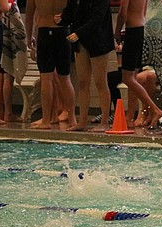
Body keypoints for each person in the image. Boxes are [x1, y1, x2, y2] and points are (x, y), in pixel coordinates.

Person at [56, 0, 115, 131]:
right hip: (81, 40)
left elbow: (97, 18)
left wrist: (78, 33)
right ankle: (82, 122)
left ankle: (104, 122)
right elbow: (71, 11)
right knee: (83, 82)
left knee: (100, 82)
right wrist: (62, 19)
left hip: (99, 39)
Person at [24, 0, 77, 129]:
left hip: (44, 33)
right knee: (65, 78)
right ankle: (72, 119)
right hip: (63, 32)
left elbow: (29, 15)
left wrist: (29, 37)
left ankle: (46, 120)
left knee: (46, 78)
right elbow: (76, 9)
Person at [116, 0, 162, 128]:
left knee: (127, 78)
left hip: (133, 32)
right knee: (133, 77)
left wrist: (116, 32)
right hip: (141, 31)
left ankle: (154, 110)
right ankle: (129, 117)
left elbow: (122, 13)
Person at [0, 0, 27, 122]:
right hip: (5, 33)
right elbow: (7, 8)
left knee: (1, 75)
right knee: (7, 75)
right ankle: (7, 112)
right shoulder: (9, 5)